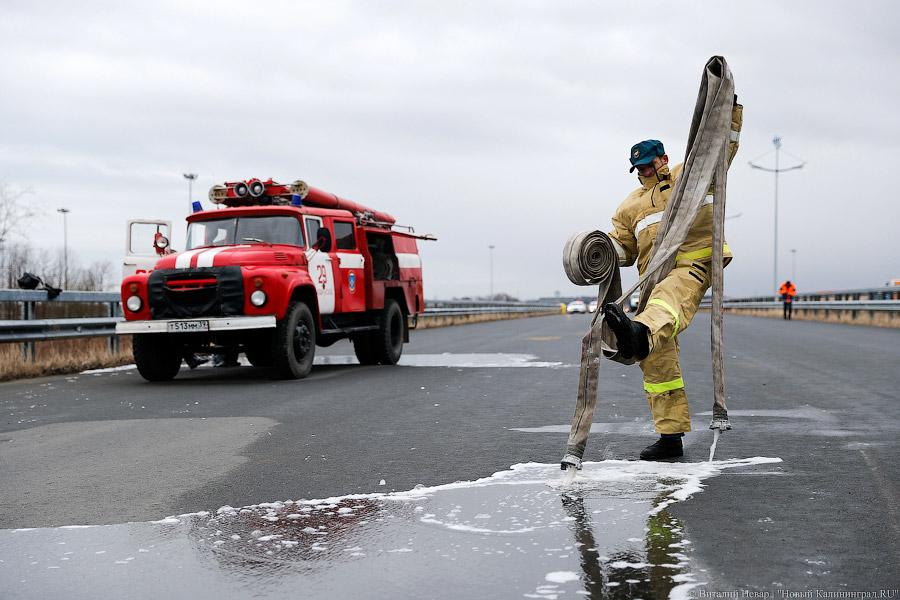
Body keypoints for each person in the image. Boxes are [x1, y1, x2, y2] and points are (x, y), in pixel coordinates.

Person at [600, 99, 744, 461]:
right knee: (656, 359)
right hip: (653, 278)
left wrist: (728, 107)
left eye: (648, 166)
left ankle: (636, 334)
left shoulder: (692, 175)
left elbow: (721, 147)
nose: (643, 173)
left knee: (669, 300)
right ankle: (670, 437)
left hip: (693, 263)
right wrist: (597, 249)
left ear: (662, 159)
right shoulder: (628, 206)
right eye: (637, 169)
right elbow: (624, 250)